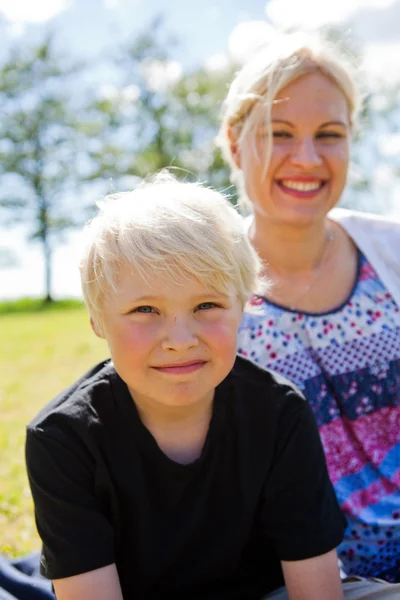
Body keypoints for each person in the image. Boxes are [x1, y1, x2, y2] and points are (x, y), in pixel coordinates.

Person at [25, 174, 346, 600]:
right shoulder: (62, 438)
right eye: (145, 309)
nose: (179, 338)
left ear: (243, 306)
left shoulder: (280, 412)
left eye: (206, 304)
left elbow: (316, 593)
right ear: (98, 320)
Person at [217, 31, 400, 586]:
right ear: (234, 143)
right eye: (279, 134)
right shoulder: (208, 287)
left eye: (329, 135)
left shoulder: (391, 250)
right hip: (307, 575)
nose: (307, 158)